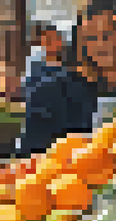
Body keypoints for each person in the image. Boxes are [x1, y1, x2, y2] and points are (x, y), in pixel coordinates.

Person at [21, 22, 90, 155]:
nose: (56, 43)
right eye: (49, 40)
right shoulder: (36, 69)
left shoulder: (72, 65)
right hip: (44, 134)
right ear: (41, 44)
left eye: (57, 38)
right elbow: (33, 97)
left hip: (71, 134)